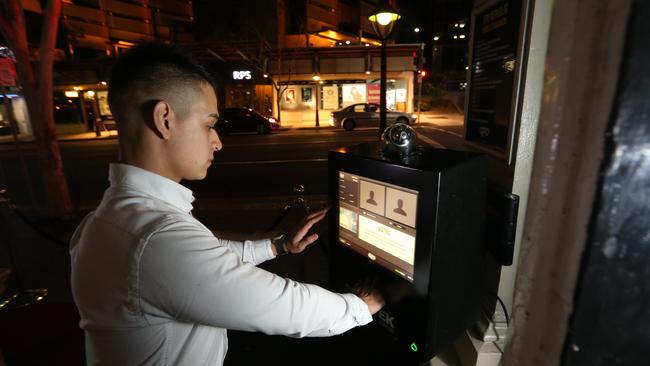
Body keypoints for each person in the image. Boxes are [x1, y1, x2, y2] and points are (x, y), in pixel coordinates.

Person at [69, 43, 383, 366]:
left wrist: (278, 246)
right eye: (208, 124)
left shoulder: (104, 222)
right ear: (164, 118)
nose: (217, 141)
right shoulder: (155, 237)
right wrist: (361, 305)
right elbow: (285, 307)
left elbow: (208, 260)